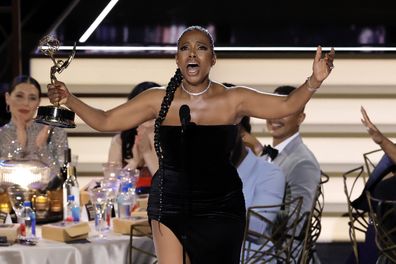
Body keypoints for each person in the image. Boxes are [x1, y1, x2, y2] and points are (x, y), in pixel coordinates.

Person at [46, 26, 335, 264]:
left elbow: (286, 105)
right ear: (177, 59)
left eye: (201, 47)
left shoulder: (234, 99)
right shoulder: (158, 99)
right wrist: (69, 99)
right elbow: (106, 121)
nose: (192, 53)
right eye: (185, 47)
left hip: (221, 208)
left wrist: (314, 81)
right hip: (168, 204)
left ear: (213, 59)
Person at [230, 116, 285, 260]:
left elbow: (257, 226)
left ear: (241, 131)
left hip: (252, 258)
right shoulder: (204, 172)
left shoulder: (269, 173)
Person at [0, 75, 68, 180]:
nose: (25, 103)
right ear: (7, 98)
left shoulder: (54, 131)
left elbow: (61, 177)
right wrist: (20, 146)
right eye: (19, 96)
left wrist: (41, 147)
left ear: (38, 102)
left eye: (32, 98)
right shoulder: (2, 134)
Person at [107, 81, 160, 194]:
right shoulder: (119, 142)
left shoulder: (173, 139)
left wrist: (147, 152)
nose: (147, 117)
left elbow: (168, 186)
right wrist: (134, 163)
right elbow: (111, 189)